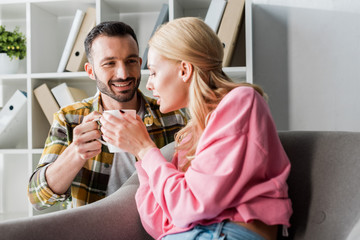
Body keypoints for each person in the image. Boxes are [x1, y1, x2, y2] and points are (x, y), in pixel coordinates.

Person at [99, 17, 292, 240]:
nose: (149, 84)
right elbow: (159, 222)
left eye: (153, 72)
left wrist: (145, 149)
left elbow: (190, 206)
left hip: (226, 233)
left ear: (184, 70)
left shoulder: (241, 102)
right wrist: (141, 155)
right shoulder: (190, 134)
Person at [27, 21, 187, 210]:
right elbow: (37, 198)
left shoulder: (172, 117)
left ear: (140, 63)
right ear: (90, 71)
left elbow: (187, 189)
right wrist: (75, 153)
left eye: (131, 61)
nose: (123, 73)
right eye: (109, 63)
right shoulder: (70, 118)